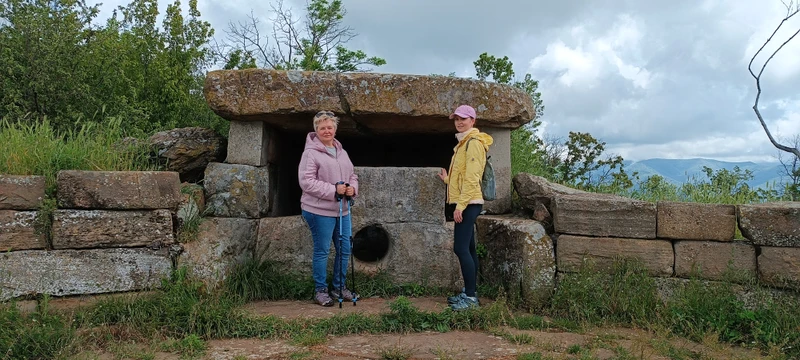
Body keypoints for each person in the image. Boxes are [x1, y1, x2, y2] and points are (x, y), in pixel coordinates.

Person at [298, 110, 359, 307]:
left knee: (344, 249)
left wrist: (352, 189)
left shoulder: (342, 152)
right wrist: (333, 190)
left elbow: (352, 175)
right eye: (322, 127)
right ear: (316, 130)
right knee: (322, 250)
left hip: (342, 210)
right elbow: (306, 182)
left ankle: (339, 287)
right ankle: (321, 291)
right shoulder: (311, 153)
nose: (327, 131)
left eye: (330, 127)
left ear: (335, 129)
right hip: (318, 210)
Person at [437, 104, 493, 311]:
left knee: (460, 248)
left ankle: (470, 298)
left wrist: (460, 206)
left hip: (469, 203)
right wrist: (448, 180)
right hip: (466, 202)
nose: (459, 122)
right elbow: (462, 175)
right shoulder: (464, 144)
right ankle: (471, 292)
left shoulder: (474, 144)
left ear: (473, 121)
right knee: (468, 248)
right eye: (456, 119)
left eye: (464, 118)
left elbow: (472, 178)